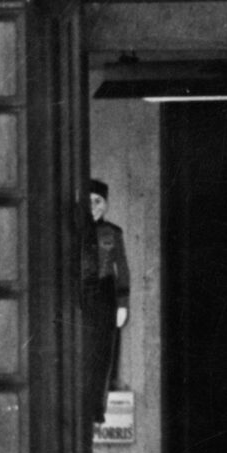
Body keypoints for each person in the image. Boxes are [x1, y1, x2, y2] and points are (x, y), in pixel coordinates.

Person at [82, 177, 131, 431]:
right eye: (88, 201)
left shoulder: (113, 232)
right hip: (80, 295)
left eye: (98, 201)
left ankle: (96, 408)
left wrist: (122, 303)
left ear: (106, 204)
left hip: (104, 293)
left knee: (103, 352)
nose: (93, 206)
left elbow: (121, 269)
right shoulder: (75, 232)